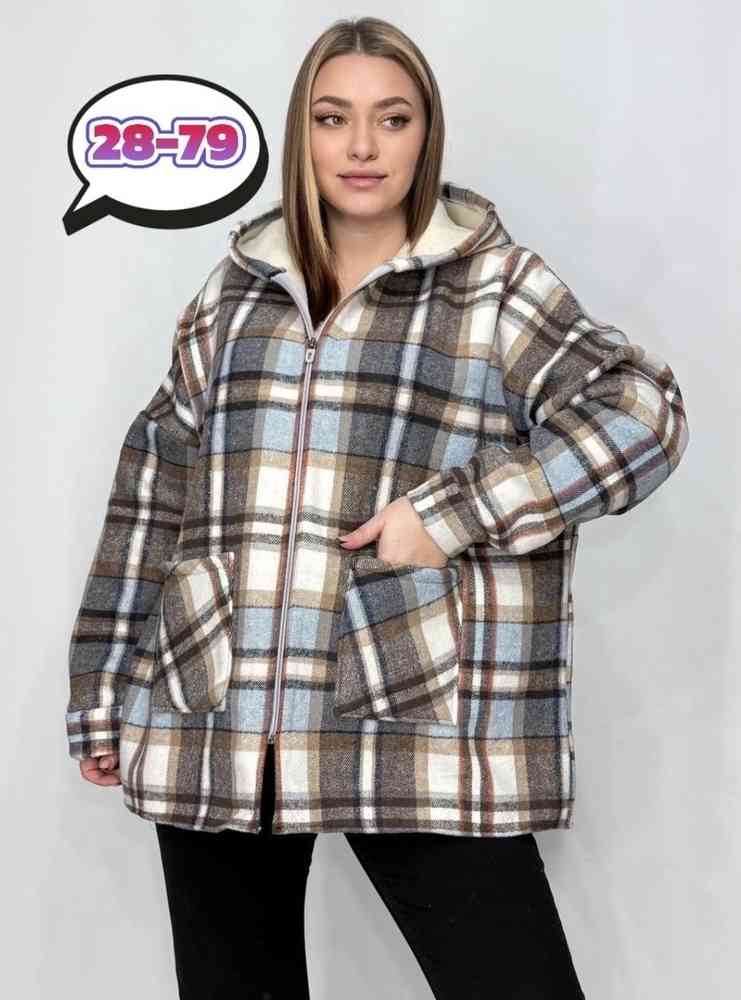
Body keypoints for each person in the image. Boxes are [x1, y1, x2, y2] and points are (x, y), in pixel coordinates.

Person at [65, 15, 690, 1000]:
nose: (361, 146)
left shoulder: (494, 287)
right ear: (301, 133)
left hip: (406, 703)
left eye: (392, 119)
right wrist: (103, 687)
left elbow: (641, 412)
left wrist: (454, 513)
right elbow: (153, 487)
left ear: (425, 134)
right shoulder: (233, 296)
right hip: (215, 710)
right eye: (333, 118)